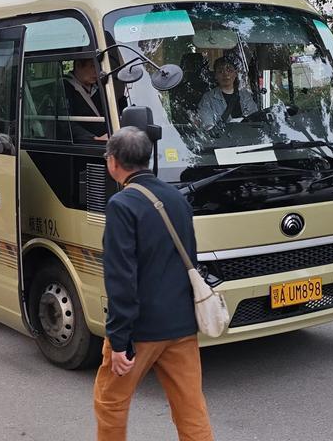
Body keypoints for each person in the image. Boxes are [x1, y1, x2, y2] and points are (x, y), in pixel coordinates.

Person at [94, 127, 213, 441]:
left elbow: (121, 277)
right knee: (191, 409)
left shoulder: (122, 205)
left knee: (111, 404)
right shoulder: (176, 197)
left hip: (140, 330)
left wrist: (119, 340)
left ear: (113, 161)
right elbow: (189, 257)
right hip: (182, 325)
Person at [195, 56, 259, 130]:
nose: (225, 74)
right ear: (215, 75)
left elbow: (254, 119)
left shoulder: (245, 95)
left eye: (229, 70)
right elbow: (208, 126)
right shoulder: (208, 98)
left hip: (246, 136)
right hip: (221, 137)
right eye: (220, 71)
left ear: (235, 73)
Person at [63, 58, 107, 142]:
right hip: (86, 143)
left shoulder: (98, 86)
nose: (97, 71)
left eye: (98, 67)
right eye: (92, 66)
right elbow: (65, 123)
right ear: (78, 65)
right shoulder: (64, 88)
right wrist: (93, 138)